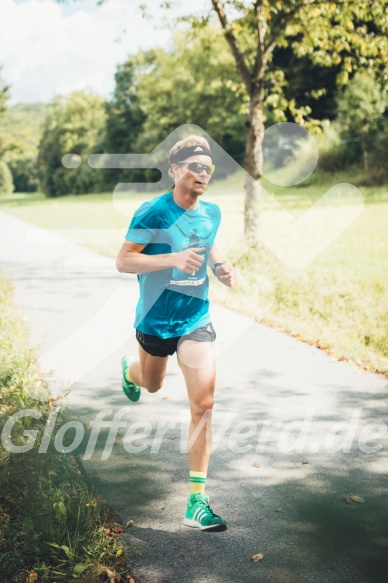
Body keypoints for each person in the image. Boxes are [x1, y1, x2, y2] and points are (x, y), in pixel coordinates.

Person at [116, 135, 237, 532]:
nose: (202, 173)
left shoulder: (212, 212)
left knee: (204, 404)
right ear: (175, 171)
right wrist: (171, 259)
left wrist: (219, 267)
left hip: (194, 320)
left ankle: (197, 502)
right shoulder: (153, 212)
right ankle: (130, 372)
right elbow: (124, 260)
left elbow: (208, 240)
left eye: (207, 168)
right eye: (195, 166)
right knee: (151, 384)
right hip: (154, 321)